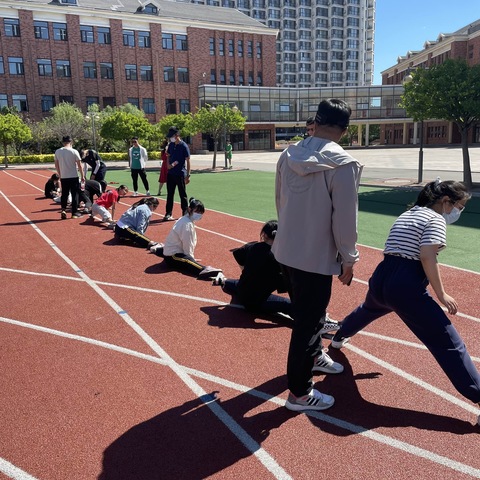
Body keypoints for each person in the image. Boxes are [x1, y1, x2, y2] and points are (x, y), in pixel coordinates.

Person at [330, 180, 480, 424]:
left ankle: (338, 337)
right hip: (406, 281)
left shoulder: (409, 213)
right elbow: (427, 255)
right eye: (460, 206)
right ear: (446, 202)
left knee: (368, 309)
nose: (458, 212)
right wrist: (441, 294)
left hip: (382, 275)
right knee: (447, 341)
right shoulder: (435, 219)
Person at [272, 98, 363, 412]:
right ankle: (299, 393)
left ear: (317, 120)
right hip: (314, 256)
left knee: (308, 316)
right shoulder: (344, 164)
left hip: (285, 249)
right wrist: (349, 259)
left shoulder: (288, 154)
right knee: (308, 324)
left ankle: (314, 357)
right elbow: (345, 219)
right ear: (343, 129)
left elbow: (279, 200)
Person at [214, 220, 340, 334]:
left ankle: (224, 280)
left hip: (242, 290)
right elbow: (290, 285)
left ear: (264, 234)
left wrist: (245, 270)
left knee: (238, 284)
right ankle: (318, 324)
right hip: (255, 303)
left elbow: (237, 254)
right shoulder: (280, 259)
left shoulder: (253, 246)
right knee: (288, 305)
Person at [150, 197, 222, 280]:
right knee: (187, 261)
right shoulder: (187, 224)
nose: (198, 214)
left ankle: (158, 249)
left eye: (200, 212)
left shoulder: (185, 219)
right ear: (189, 209)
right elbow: (188, 244)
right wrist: (191, 259)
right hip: (173, 257)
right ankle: (203, 270)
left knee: (184, 258)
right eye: (196, 211)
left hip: (171, 253)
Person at [54, 135, 85, 219]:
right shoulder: (74, 151)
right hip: (73, 176)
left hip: (64, 177)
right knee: (74, 194)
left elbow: (56, 165)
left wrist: (60, 174)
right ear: (71, 142)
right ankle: (74, 213)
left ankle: (63, 209)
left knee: (64, 194)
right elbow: (79, 165)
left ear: (63, 142)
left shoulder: (58, 151)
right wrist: (82, 176)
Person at [163, 126, 191, 221]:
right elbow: (168, 156)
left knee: (182, 194)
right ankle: (168, 213)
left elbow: (188, 160)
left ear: (177, 135)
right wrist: (168, 165)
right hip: (171, 173)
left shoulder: (184, 146)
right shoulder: (171, 145)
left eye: (172, 136)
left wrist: (188, 175)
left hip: (180, 173)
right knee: (170, 194)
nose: (171, 138)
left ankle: (185, 212)